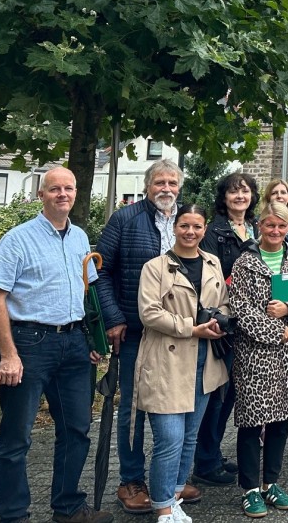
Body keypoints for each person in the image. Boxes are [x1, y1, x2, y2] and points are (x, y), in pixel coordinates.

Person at [0, 167, 112, 523]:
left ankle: (68, 507)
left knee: (76, 429)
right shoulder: (17, 239)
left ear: (75, 193)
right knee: (16, 438)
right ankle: (14, 517)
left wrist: (91, 339)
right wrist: (8, 354)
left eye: (68, 188)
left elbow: (88, 294)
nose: (62, 194)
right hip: (29, 343)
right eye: (54, 189)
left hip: (74, 343)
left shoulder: (80, 238)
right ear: (41, 195)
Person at [96, 159, 190, 514]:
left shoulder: (187, 220)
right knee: (134, 407)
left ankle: (171, 481)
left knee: (179, 403)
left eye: (172, 183)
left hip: (181, 332)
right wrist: (114, 318)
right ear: (148, 186)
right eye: (159, 183)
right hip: (136, 331)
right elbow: (101, 273)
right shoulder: (125, 219)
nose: (166, 189)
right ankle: (131, 480)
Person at [135, 206, 230, 523]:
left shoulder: (213, 262)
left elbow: (224, 302)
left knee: (190, 435)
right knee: (169, 439)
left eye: (197, 226)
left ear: (205, 229)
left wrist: (220, 321)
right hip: (168, 360)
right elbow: (149, 313)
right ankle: (161, 506)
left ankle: (175, 494)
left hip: (205, 360)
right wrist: (191, 328)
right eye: (185, 225)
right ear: (174, 228)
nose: (191, 232)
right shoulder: (155, 267)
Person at [230, 202, 288, 517]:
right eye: (270, 226)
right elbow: (239, 307)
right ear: (260, 227)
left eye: (282, 227)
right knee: (252, 420)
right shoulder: (244, 263)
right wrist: (274, 331)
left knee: (281, 419)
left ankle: (271, 483)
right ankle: (249, 489)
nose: (276, 232)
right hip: (255, 352)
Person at [193, 172, 259, 487]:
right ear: (224, 197)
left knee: (232, 392)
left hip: (255, 323)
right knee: (217, 393)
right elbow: (210, 276)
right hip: (228, 322)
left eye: (244, 191)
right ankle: (204, 461)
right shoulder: (214, 231)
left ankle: (213, 452)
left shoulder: (258, 228)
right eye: (233, 192)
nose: (239, 196)